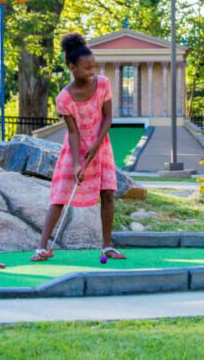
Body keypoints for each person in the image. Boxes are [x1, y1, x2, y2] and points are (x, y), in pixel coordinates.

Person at [31, 32, 126, 262]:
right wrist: (76, 164)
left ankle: (106, 246)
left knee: (107, 193)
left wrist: (95, 146)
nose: (92, 72)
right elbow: (72, 132)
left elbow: (108, 118)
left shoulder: (102, 84)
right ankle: (42, 247)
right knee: (59, 195)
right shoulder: (64, 98)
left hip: (101, 147)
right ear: (71, 67)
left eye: (94, 67)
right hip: (74, 150)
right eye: (86, 68)